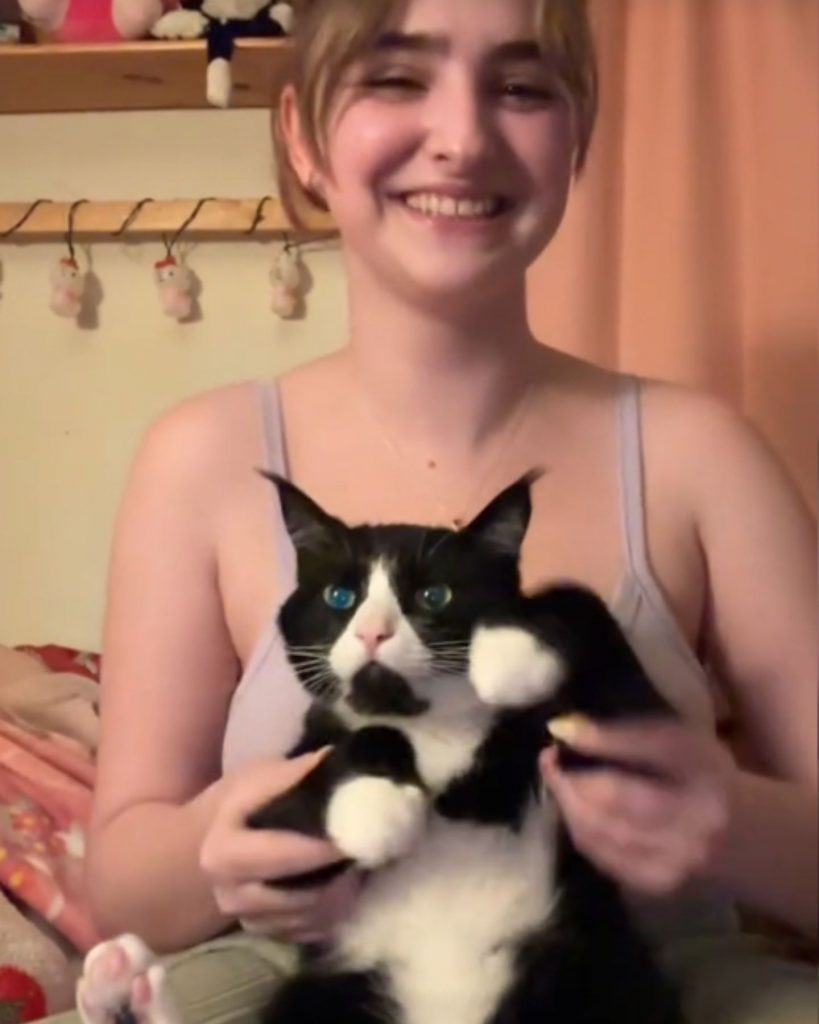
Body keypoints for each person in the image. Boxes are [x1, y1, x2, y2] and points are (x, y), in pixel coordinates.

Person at [55, 1, 817, 1022]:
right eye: (397, 78)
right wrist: (216, 849)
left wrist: (731, 821)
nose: (462, 138)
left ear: (577, 137)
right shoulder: (201, 461)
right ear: (302, 137)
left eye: (521, 86)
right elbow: (127, 878)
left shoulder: (702, 456)